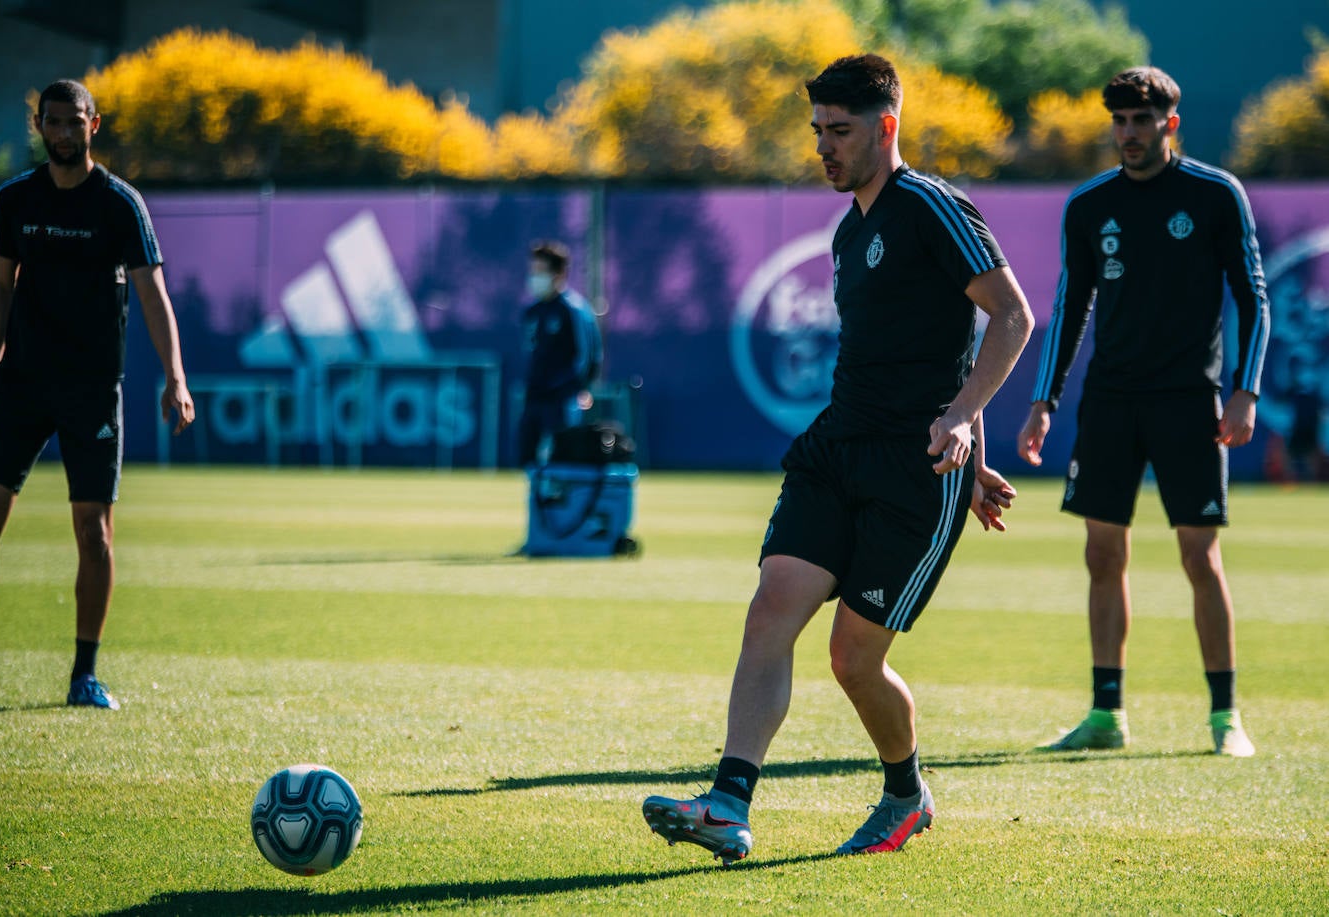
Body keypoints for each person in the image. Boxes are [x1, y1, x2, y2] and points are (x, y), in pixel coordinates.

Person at [641, 53, 1034, 864]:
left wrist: (964, 431)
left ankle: (905, 791)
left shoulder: (933, 206)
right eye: (817, 130)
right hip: (836, 445)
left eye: (841, 130)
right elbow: (947, 351)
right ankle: (727, 802)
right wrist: (974, 431)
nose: (824, 145)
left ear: (886, 127)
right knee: (771, 606)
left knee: (853, 658)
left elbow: (1010, 317)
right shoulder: (850, 230)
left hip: (915, 471)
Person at [1017, 66, 1271, 757]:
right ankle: (1106, 714)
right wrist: (1044, 402)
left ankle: (1226, 718)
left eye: (1141, 121)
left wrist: (1245, 389)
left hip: (1192, 400)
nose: (1128, 133)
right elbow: (1069, 309)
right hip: (1111, 401)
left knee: (1200, 555)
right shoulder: (1089, 204)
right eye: (1119, 121)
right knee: (1103, 552)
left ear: (1170, 124)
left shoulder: (1217, 194)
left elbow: (1253, 297)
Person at [0, 80, 194, 710]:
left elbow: (152, 294)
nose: (63, 133)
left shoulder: (120, 205)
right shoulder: (16, 198)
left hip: (91, 389)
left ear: (95, 125)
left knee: (94, 533)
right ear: (38, 125)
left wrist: (176, 375)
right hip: (23, 384)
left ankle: (84, 674)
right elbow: (2, 287)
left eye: (75, 122)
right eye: (53, 122)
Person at [517, 241, 602, 467]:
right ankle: (536, 501)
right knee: (527, 457)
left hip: (562, 400)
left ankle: (564, 502)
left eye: (541, 272)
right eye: (533, 271)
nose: (535, 278)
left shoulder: (573, 310)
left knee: (563, 458)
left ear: (559, 273)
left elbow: (587, 358)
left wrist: (577, 387)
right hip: (535, 398)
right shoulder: (533, 312)